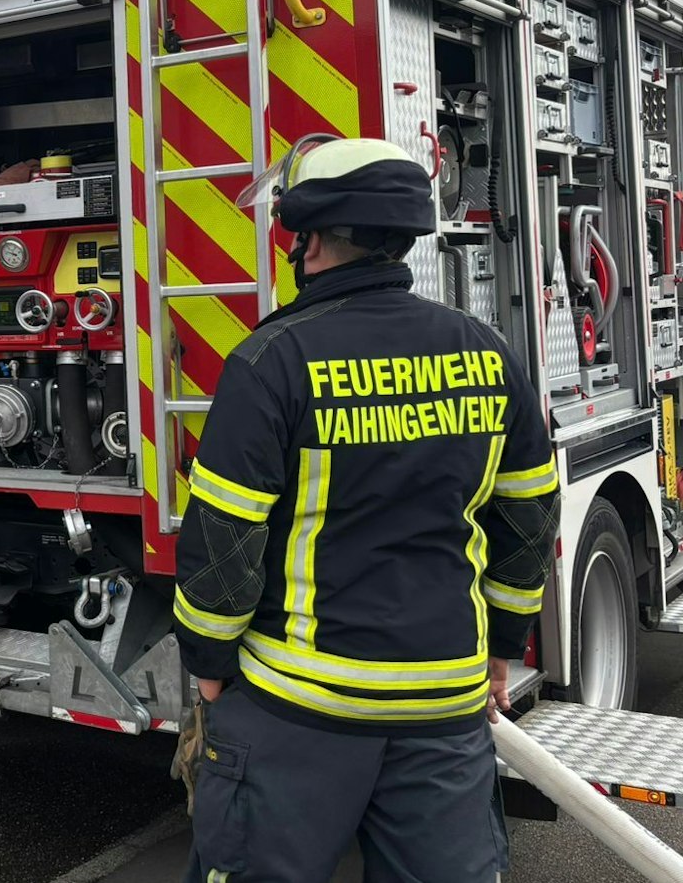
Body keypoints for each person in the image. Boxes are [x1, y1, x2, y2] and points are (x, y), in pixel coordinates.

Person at [172, 137, 560, 882]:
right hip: (444, 709)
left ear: (310, 240)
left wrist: (209, 668)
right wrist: (501, 646)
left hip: (298, 710)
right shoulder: (487, 351)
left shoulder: (272, 360)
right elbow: (528, 519)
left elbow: (224, 541)